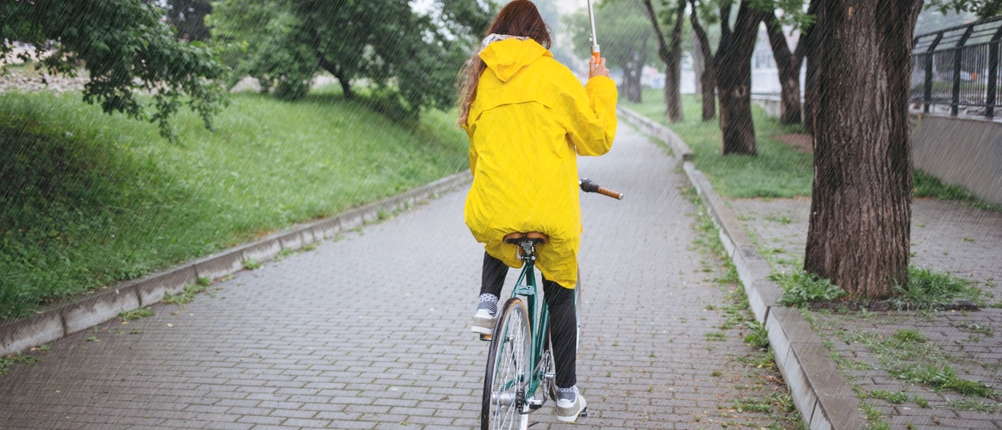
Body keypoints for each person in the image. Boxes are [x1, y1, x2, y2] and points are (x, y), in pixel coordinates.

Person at [456, 0, 617, 423]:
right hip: (550, 214)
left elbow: (479, 157)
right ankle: (566, 394)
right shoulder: (553, 76)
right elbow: (596, 138)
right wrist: (598, 84)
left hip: (494, 208)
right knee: (561, 291)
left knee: (499, 222)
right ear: (537, 36)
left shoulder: (483, 85)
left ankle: (488, 303)